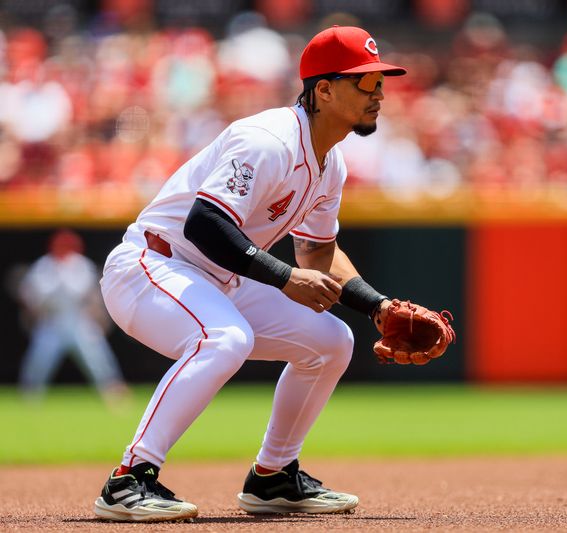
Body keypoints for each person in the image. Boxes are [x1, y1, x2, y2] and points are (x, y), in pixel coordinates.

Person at [93, 26, 407, 522]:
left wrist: (380, 306)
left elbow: (318, 254)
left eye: (380, 81)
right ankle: (129, 479)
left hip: (218, 279)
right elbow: (205, 224)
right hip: (152, 265)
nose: (379, 94)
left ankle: (273, 477)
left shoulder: (331, 165)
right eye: (364, 82)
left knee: (331, 341)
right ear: (323, 89)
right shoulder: (268, 140)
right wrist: (284, 279)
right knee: (226, 337)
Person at [17, 228, 129, 405]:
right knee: (40, 359)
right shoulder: (44, 265)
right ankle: (30, 395)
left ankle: (113, 393)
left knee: (97, 358)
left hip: (78, 319)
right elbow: (31, 294)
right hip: (53, 320)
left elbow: (85, 292)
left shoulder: (81, 264)